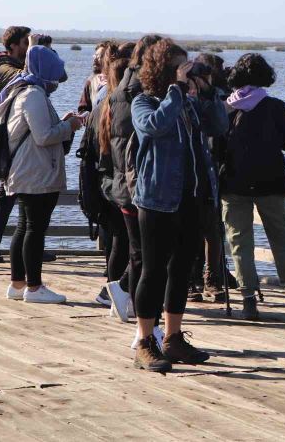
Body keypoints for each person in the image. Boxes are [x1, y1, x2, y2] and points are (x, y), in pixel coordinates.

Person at [130, 39, 227, 372]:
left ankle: (173, 338)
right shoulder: (143, 102)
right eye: (178, 67)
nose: (184, 73)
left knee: (181, 269)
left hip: (191, 198)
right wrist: (177, 90)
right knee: (153, 270)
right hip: (156, 199)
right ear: (163, 71)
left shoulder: (186, 103)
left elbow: (219, 126)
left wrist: (210, 91)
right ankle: (145, 342)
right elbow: (154, 125)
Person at [220, 53, 285, 321]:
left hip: (234, 182)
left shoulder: (227, 108)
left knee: (239, 241)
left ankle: (249, 301)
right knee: (281, 237)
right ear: (265, 76)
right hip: (271, 181)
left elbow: (216, 144)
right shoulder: (276, 107)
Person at [0, 37, 83, 303]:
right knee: (34, 228)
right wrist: (71, 126)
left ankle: (17, 283)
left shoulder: (22, 89)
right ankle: (34, 287)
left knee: (24, 226)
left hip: (27, 170)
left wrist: (64, 122)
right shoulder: (33, 95)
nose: (56, 83)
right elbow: (44, 136)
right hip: (34, 172)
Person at [103, 35, 165, 348]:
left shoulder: (117, 91)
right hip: (137, 186)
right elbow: (137, 142)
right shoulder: (140, 94)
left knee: (140, 255)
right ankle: (146, 330)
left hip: (123, 182)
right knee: (147, 260)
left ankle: (123, 293)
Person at [0, 26, 59, 264]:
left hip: (22, 136)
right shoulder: (1, 67)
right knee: (6, 193)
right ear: (13, 45)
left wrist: (42, 53)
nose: (27, 48)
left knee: (29, 195)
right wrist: (34, 54)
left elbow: (51, 81)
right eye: (25, 44)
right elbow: (22, 78)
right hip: (10, 139)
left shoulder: (17, 65)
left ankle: (32, 245)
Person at [81, 42, 135, 309]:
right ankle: (114, 293)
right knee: (125, 241)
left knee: (118, 239)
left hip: (105, 181)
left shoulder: (102, 102)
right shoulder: (119, 104)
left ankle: (114, 293)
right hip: (120, 182)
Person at [187, 52, 237, 301]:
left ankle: (212, 278)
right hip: (190, 173)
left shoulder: (218, 97)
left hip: (211, 170)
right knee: (192, 230)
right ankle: (191, 278)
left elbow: (219, 129)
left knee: (213, 229)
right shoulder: (181, 98)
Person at [78, 41, 116, 114]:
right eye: (95, 56)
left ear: (109, 58)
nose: (95, 59)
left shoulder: (119, 79)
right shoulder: (91, 81)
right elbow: (83, 110)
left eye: (100, 56)